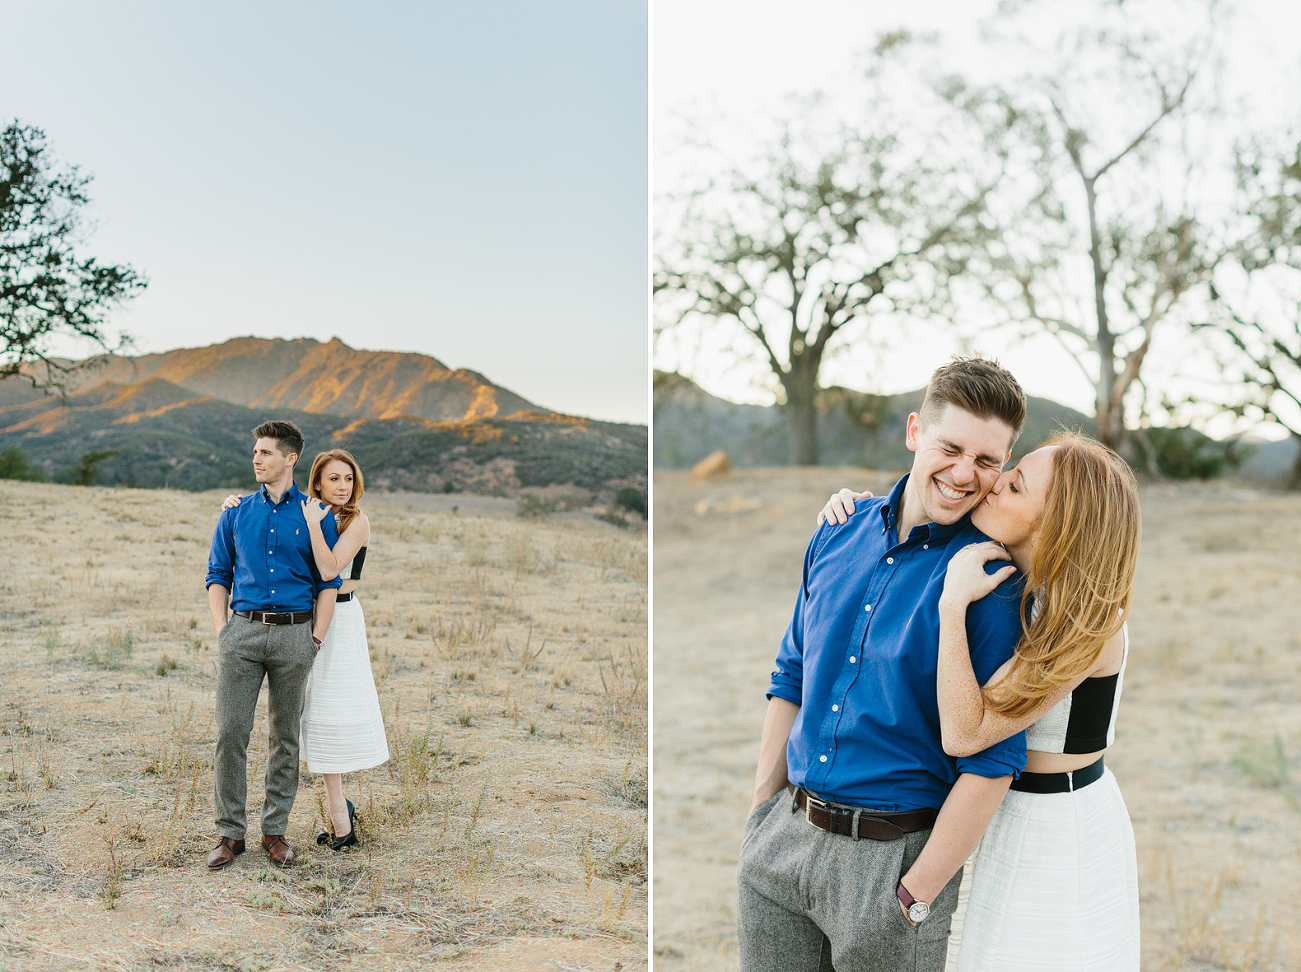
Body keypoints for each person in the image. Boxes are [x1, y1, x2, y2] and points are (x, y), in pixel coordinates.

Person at [737, 356, 1029, 972]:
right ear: (915, 432)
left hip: (891, 868)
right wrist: (760, 810)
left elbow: (994, 758)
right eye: (951, 447)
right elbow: (791, 671)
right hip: (781, 842)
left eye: (987, 461)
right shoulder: (838, 531)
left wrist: (915, 893)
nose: (963, 474)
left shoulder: (990, 583)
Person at [816, 431, 1142, 970]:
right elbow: (923, 505)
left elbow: (967, 733)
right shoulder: (1006, 575)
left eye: (1013, 486)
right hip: (979, 809)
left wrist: (951, 606)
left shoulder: (1087, 619)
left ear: (1057, 523)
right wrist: (853, 508)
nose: (991, 487)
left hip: (1054, 822)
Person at [221, 448, 389, 851]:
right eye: (334, 479)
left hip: (339, 622)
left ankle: (340, 820)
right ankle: (336, 814)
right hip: (299, 621)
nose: (343, 487)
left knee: (325, 715)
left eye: (348, 479)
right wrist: (234, 505)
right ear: (317, 482)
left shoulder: (357, 521)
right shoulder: (306, 510)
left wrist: (315, 524)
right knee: (304, 719)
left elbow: (330, 570)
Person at [205, 420, 341, 869]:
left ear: (290, 458)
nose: (256, 459)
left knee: (285, 737)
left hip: (295, 635)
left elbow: (329, 581)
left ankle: (274, 831)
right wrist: (223, 627)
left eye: (265, 452)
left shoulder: (316, 514)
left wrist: (315, 638)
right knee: (230, 732)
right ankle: (230, 834)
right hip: (242, 633)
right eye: (255, 451)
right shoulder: (236, 510)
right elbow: (217, 573)